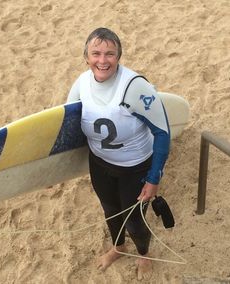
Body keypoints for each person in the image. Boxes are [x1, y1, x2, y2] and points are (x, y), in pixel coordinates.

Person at [66, 27, 170, 280]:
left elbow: (162, 132)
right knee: (110, 210)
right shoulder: (81, 83)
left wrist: (154, 177)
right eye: (96, 53)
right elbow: (68, 128)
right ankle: (119, 248)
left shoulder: (136, 87)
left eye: (110, 54)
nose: (102, 61)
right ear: (86, 56)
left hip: (135, 167)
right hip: (99, 163)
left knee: (134, 221)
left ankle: (144, 253)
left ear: (119, 56)